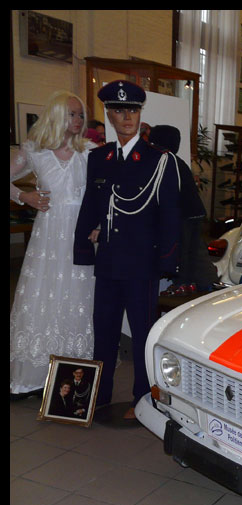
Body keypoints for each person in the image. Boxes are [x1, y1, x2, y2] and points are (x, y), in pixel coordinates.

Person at [73, 80, 182, 420]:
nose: (127, 117)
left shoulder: (158, 160)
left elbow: (170, 215)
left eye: (132, 110)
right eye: (119, 111)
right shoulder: (100, 158)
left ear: (140, 113)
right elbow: (91, 205)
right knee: (103, 332)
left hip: (141, 263)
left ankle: (143, 401)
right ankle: (98, 397)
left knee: (142, 337)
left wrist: (166, 262)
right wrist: (83, 249)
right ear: (109, 115)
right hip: (108, 262)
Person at [10, 90, 96, 400]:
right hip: (47, 237)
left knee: (77, 300)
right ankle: (31, 378)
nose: (77, 121)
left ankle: (72, 383)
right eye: (71, 114)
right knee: (41, 299)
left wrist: (98, 224)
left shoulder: (90, 151)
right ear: (57, 115)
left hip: (80, 237)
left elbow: (102, 194)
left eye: (80, 115)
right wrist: (25, 196)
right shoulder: (35, 151)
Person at [149, 125, 219, 294]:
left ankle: (187, 283)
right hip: (192, 212)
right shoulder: (174, 160)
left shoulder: (166, 161)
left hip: (184, 214)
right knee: (194, 251)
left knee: (186, 251)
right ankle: (207, 284)